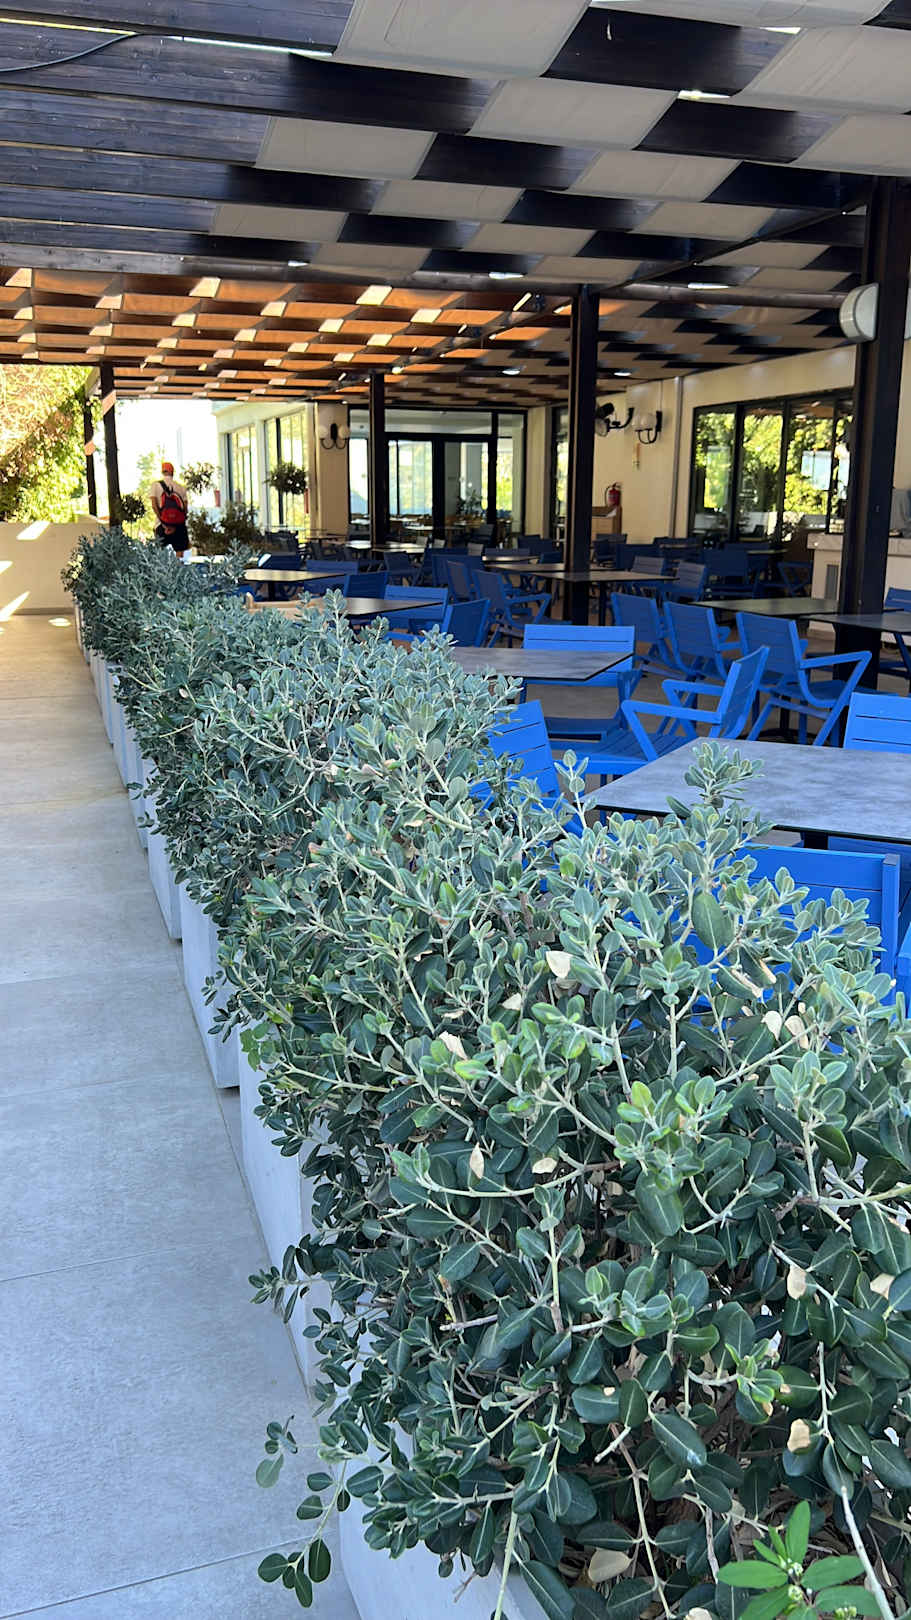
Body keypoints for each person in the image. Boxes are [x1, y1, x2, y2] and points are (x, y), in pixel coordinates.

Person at [149, 461, 189, 557]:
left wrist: (164, 522)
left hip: (161, 525)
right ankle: (179, 565)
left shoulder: (155, 485)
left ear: (162, 472)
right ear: (172, 472)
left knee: (160, 554)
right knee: (179, 552)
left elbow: (154, 505)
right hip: (179, 525)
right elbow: (185, 509)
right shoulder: (181, 488)